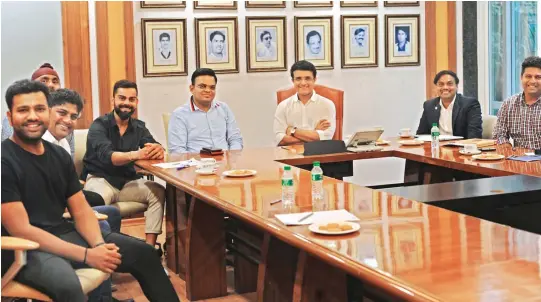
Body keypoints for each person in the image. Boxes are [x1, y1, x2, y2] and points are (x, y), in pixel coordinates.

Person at [1, 79, 179, 302]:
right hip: (24, 249)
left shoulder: (58, 156)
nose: (33, 116)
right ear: (10, 117)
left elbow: (81, 211)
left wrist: (99, 246)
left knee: (144, 254)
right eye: (23, 110)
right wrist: (88, 255)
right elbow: (22, 230)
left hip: (64, 234)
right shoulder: (4, 160)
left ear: (47, 112)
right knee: (67, 285)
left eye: (39, 109)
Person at [82, 80, 166, 250]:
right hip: (100, 180)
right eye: (122, 98)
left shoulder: (139, 127)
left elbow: (152, 145)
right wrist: (136, 154)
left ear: (136, 102)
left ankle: (149, 250)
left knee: (158, 191)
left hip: (127, 183)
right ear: (113, 100)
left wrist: (158, 149)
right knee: (97, 203)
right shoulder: (99, 125)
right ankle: (102, 248)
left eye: (131, 99)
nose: (127, 103)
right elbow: (109, 157)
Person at [44, 88, 122, 233]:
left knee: (112, 213)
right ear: (47, 111)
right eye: (62, 113)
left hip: (65, 206)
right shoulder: (39, 145)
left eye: (73, 117)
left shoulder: (63, 143)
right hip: (49, 219)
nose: (68, 120)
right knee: (103, 224)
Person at [1, 63, 75, 156]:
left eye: (55, 81)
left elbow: (70, 156)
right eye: (44, 81)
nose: (51, 85)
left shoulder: (65, 121)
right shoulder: (13, 119)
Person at [168, 68, 243, 154]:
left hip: (225, 162)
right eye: (202, 86)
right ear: (192, 89)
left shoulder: (223, 108)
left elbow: (235, 139)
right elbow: (177, 151)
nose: (208, 90)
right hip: (196, 164)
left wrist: (232, 157)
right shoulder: (180, 114)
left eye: (212, 87)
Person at [274, 60, 336, 146]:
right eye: (298, 79)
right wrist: (314, 132)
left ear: (314, 80)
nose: (303, 83)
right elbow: (280, 140)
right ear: (293, 81)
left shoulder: (327, 105)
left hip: (318, 156)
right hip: (290, 156)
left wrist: (292, 131)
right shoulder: (283, 106)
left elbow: (325, 138)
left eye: (307, 78)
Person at [416, 70, 482, 139]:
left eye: (449, 84)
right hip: (436, 147)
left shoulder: (470, 104)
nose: (445, 88)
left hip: (461, 147)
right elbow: (421, 135)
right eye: (441, 84)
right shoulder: (429, 105)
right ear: (436, 87)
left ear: (456, 86)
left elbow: (474, 136)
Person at [493, 56, 541, 149]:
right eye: (528, 76)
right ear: (521, 78)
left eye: (538, 77)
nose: (532, 81)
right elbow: (499, 135)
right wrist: (506, 147)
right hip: (518, 160)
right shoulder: (508, 104)